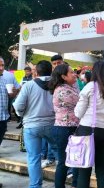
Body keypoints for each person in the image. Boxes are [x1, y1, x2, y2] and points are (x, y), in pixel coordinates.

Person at [74, 61, 104, 188]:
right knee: (102, 169)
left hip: (88, 130)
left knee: (84, 170)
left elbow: (78, 113)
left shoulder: (90, 87)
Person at [13, 60, 57, 188]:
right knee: (60, 154)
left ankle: (35, 186)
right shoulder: (57, 85)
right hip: (52, 125)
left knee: (33, 158)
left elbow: (19, 106)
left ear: (36, 72)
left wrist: (22, 115)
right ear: (51, 71)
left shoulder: (29, 85)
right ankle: (60, 182)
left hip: (31, 126)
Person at [48, 64, 79, 188]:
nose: (75, 74)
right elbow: (83, 103)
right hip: (65, 129)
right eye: (71, 72)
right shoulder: (64, 90)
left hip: (68, 128)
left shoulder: (69, 87)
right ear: (64, 76)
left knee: (73, 161)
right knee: (65, 162)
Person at [0, 56, 20, 146]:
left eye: (2, 65)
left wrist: (14, 93)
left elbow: (16, 89)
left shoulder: (7, 77)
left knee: (1, 134)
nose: (1, 68)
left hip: (3, 116)